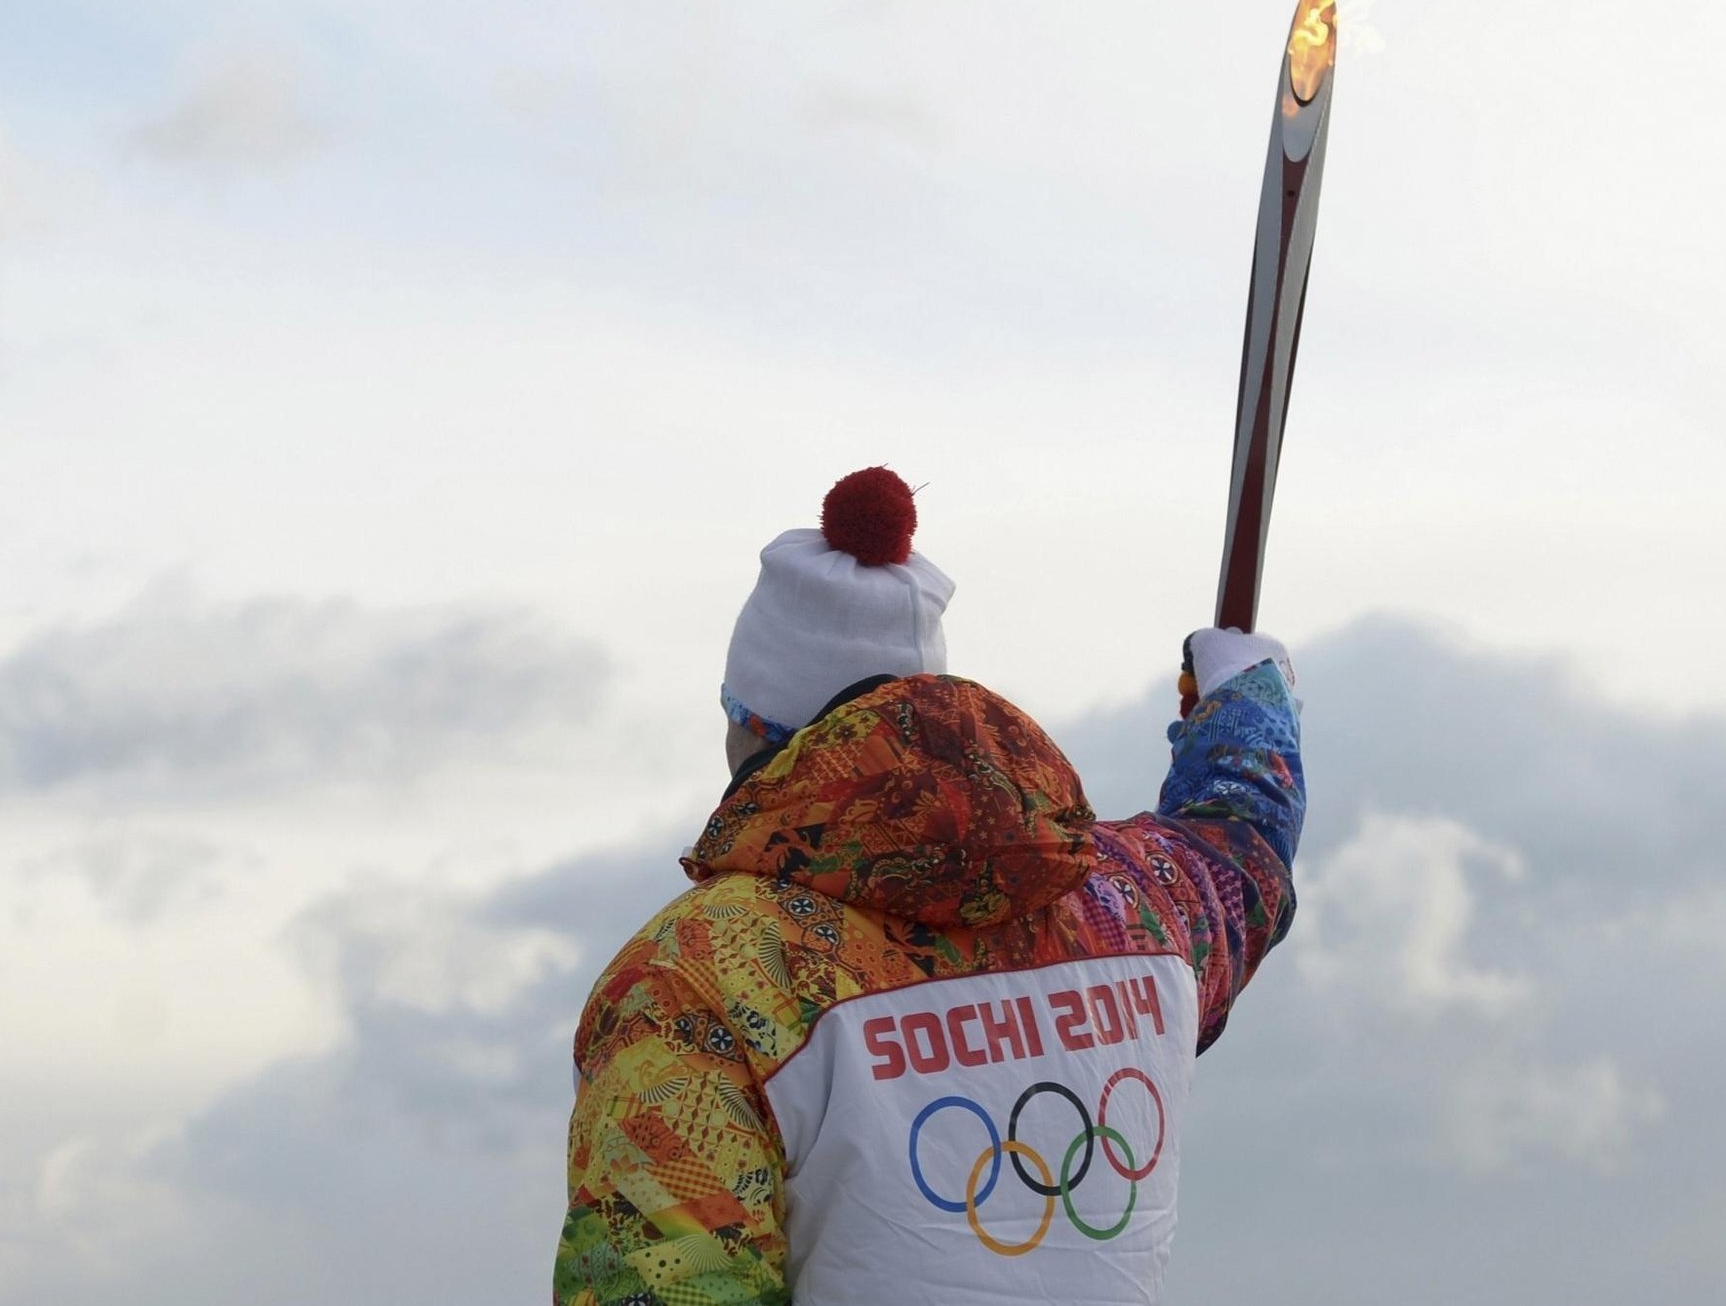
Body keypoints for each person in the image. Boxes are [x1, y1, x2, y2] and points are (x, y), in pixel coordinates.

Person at [554, 466, 1303, 1305]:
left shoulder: (700, 977)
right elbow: (1241, 846)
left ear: (751, 725)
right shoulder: (1136, 907)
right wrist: (1247, 692)